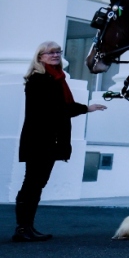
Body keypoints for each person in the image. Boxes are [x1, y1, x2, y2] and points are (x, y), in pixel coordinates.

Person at [13, 42, 106, 242]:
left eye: (58, 52)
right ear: (40, 57)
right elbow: (55, 109)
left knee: (36, 184)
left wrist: (85, 108)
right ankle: (22, 229)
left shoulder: (55, 78)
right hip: (40, 140)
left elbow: (61, 107)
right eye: (51, 53)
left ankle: (27, 227)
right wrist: (85, 109)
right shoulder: (39, 80)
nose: (55, 55)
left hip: (48, 140)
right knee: (32, 184)